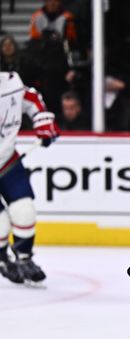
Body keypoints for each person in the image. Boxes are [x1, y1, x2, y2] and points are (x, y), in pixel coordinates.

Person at [0, 71, 60, 285]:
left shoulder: (10, 83)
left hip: (7, 160)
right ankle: (2, 260)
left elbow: (31, 99)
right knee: (0, 223)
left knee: (24, 210)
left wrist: (43, 122)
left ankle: (25, 259)